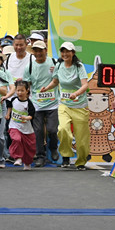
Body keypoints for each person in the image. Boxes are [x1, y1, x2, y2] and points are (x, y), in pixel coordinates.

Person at [40, 42, 90, 170]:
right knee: (63, 130)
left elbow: (85, 85)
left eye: (67, 51)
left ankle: (81, 162)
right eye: (63, 51)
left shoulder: (79, 66)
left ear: (73, 53)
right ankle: (66, 157)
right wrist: (47, 88)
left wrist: (76, 93)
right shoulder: (59, 65)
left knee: (81, 137)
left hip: (79, 106)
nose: (65, 54)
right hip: (64, 104)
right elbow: (55, 81)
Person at [22, 40, 59, 167]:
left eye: (40, 50)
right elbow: (27, 85)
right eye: (35, 50)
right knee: (37, 131)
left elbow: (58, 80)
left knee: (52, 129)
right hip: (36, 103)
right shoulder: (29, 67)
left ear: (46, 50)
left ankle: (53, 148)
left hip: (53, 103)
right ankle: (40, 156)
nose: (38, 53)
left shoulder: (54, 63)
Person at [6, 81, 36, 170]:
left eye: (22, 91)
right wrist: (8, 114)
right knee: (16, 139)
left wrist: (27, 118)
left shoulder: (29, 103)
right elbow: (10, 106)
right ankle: (17, 157)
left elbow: (32, 115)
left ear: (27, 91)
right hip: (14, 126)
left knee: (29, 147)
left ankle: (27, 163)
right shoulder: (13, 100)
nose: (19, 93)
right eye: (18, 90)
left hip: (26, 128)